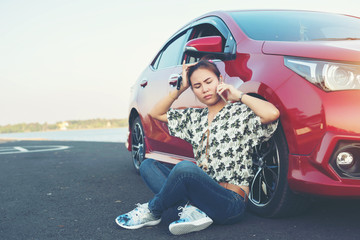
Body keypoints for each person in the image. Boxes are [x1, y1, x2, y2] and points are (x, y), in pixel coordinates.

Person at [115, 60, 280, 235]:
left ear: (220, 80)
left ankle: (153, 210)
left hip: (230, 202)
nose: (205, 89)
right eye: (197, 86)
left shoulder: (239, 113)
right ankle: (193, 211)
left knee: (185, 168)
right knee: (149, 165)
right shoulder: (195, 117)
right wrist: (180, 88)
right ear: (193, 90)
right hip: (200, 197)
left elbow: (272, 113)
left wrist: (238, 95)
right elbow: (155, 113)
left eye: (209, 82)